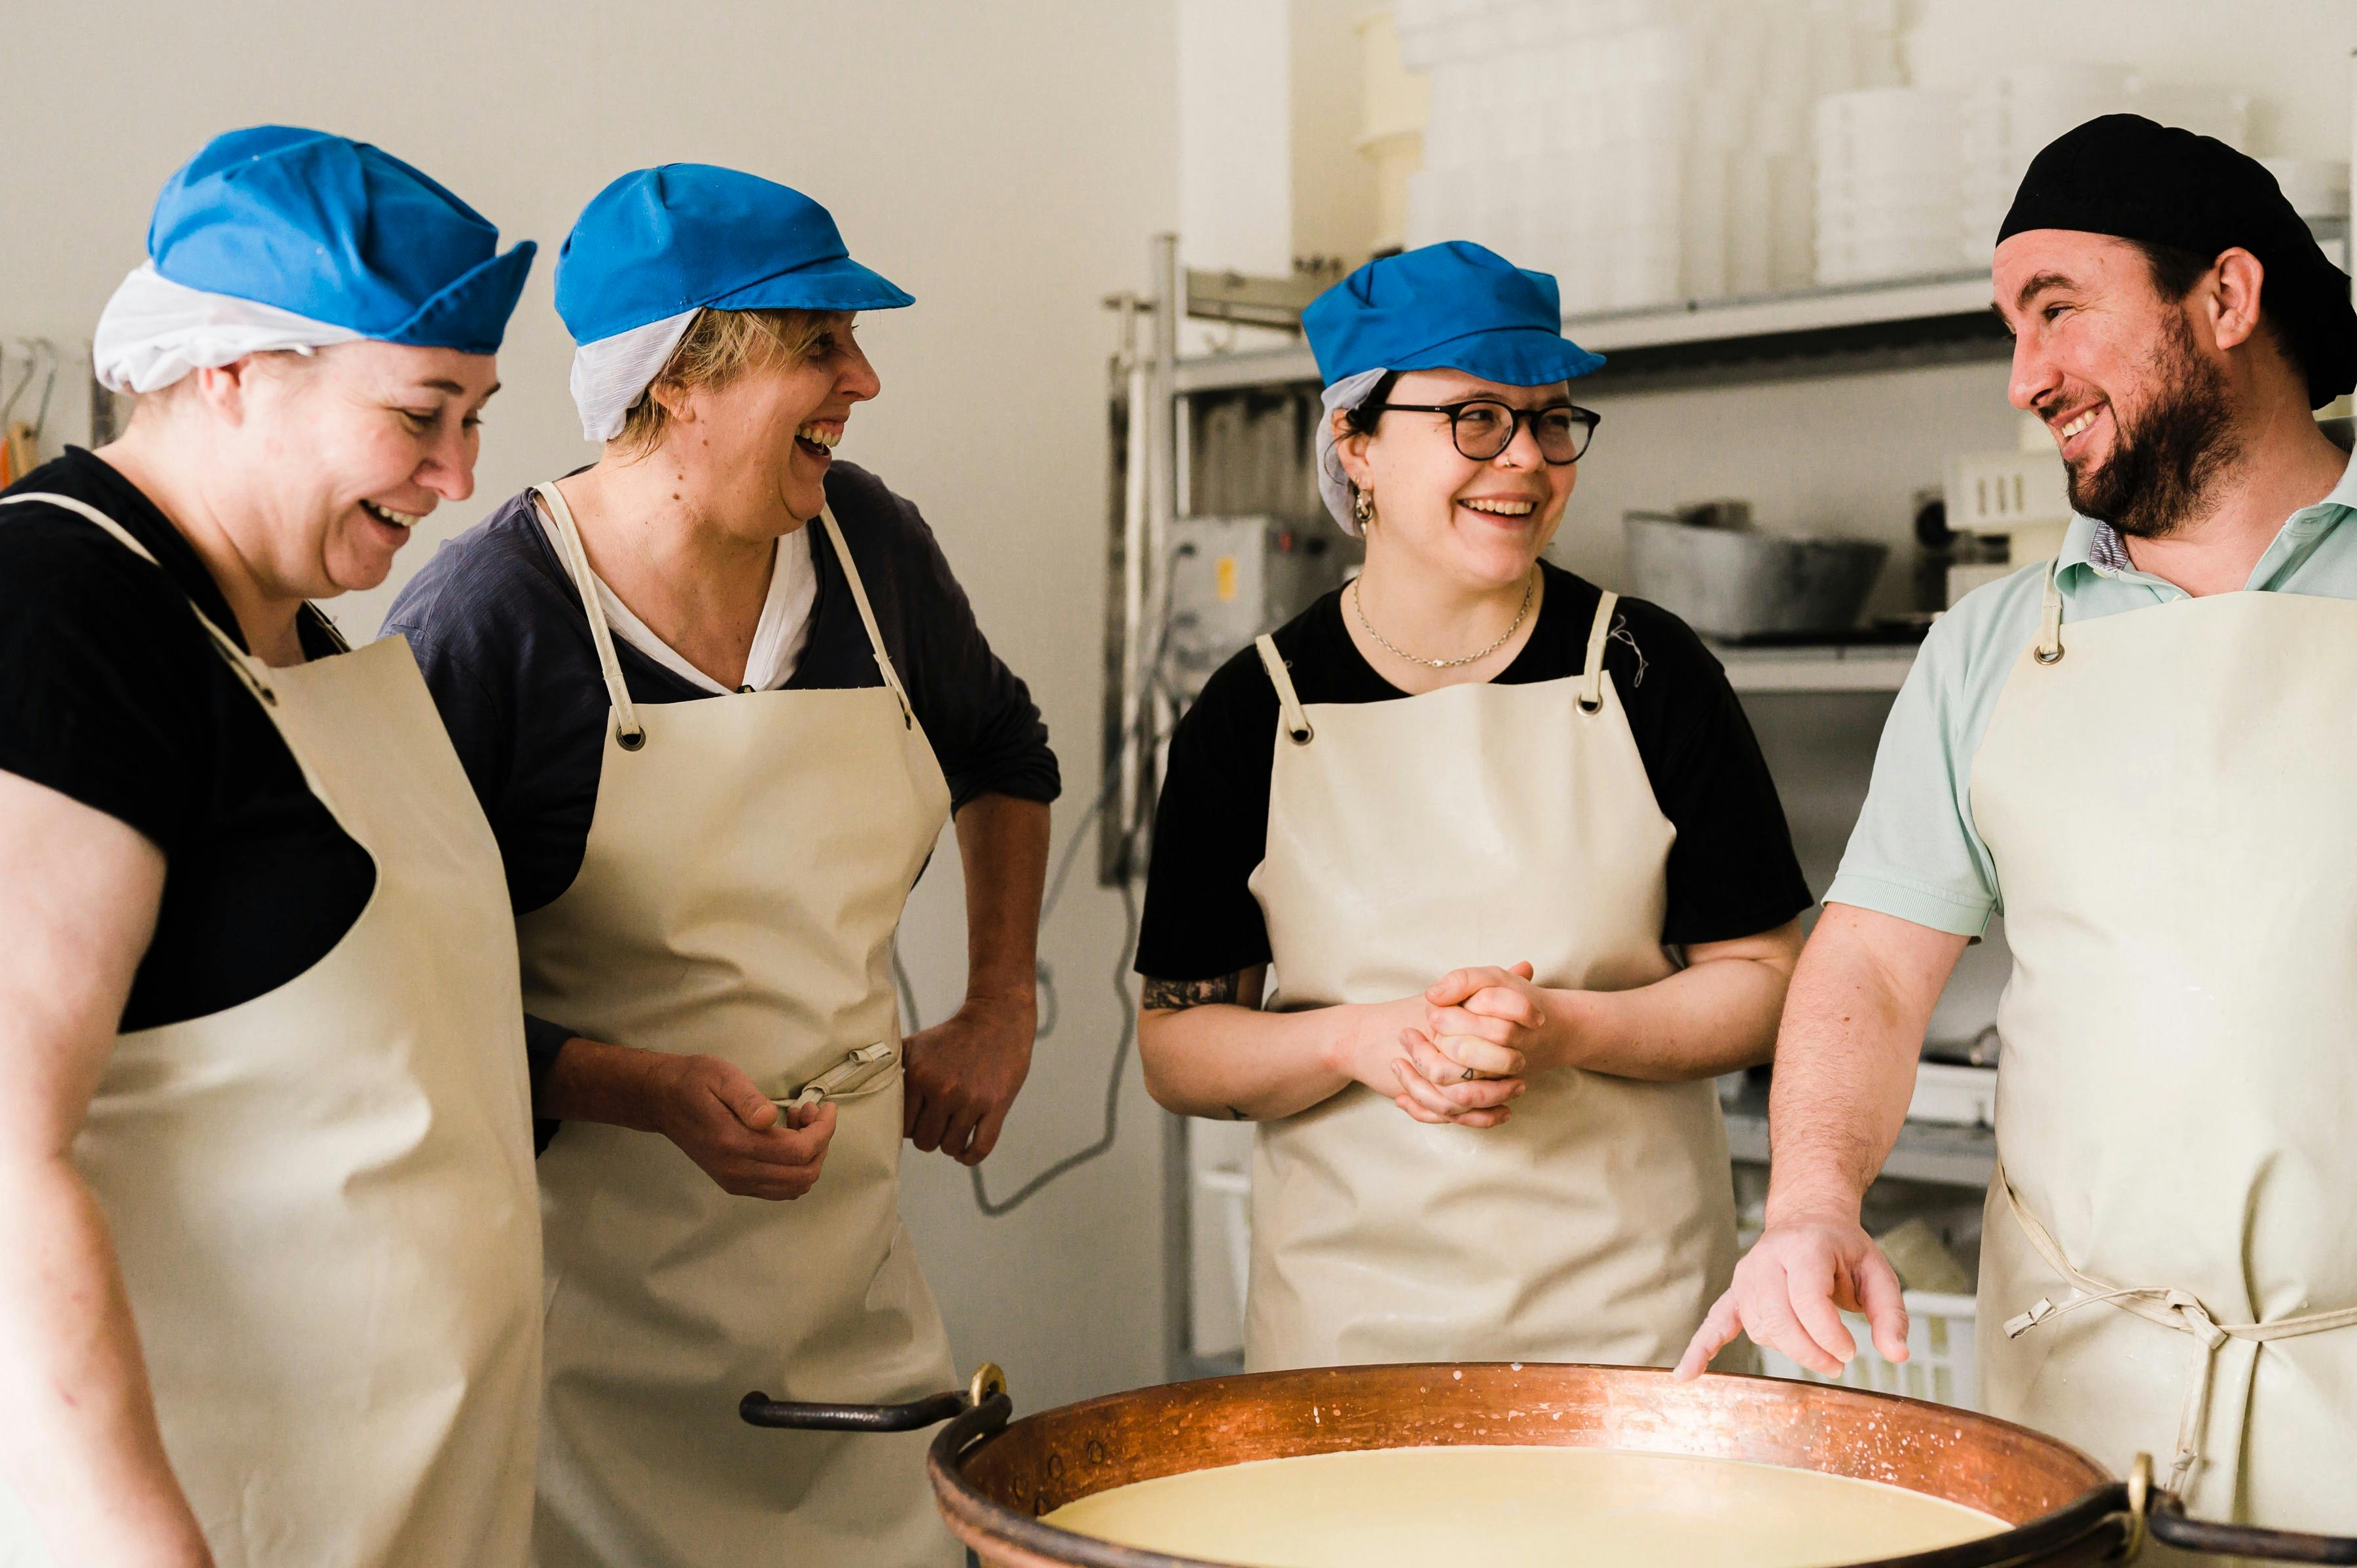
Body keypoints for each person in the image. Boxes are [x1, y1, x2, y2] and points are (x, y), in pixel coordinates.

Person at [1677, 117, 2357, 1544]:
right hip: (2077, 1412)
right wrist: (1809, 1198)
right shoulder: (1991, 644)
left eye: (2057, 310)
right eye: (2009, 327)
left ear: (2227, 299)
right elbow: (1864, 961)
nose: (2022, 376)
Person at [386, 164, 1056, 1567]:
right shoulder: (492, 619)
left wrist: (1002, 1003)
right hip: (586, 1368)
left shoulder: (868, 548)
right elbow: (398, 1008)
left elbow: (1007, 750)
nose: (863, 379)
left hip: (854, 1338)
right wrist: (641, 1086)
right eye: (820, 342)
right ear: (681, 374)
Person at [0, 126, 541, 1566]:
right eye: (423, 413)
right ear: (230, 373)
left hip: (407, 1504)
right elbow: (3, 1161)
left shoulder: (297, 628)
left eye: (476, 418)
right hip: (210, 1519)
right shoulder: (60, 617)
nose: (458, 477)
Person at [1133, 241, 1812, 1373]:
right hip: (1349, 1344)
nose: (1527, 461)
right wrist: (1362, 1040)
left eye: (1550, 421)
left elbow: (1766, 984)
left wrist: (1567, 1031)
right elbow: (1178, 1044)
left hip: (1632, 1338)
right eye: (1476, 419)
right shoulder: (1255, 709)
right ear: (1354, 443)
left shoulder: (1646, 669)